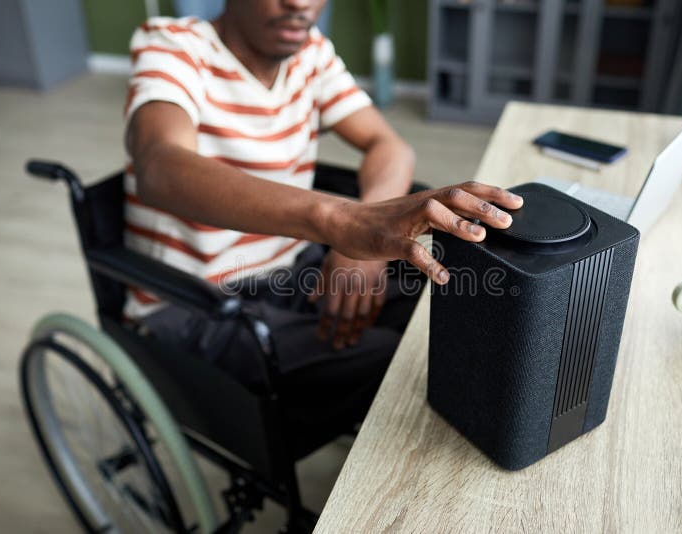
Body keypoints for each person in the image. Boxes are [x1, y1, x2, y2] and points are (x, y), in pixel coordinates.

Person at [124, 0, 522, 427]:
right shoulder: (173, 45)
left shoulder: (311, 54)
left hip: (292, 270)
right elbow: (159, 166)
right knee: (407, 363)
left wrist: (358, 245)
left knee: (450, 307)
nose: (300, 3)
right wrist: (340, 222)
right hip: (196, 302)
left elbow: (389, 146)